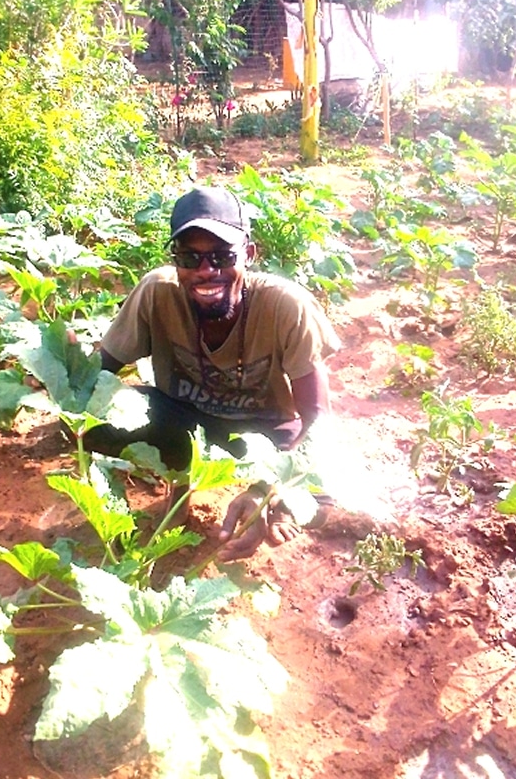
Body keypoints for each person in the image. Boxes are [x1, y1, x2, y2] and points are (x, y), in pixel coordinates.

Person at [86, 185, 340, 560]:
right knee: (93, 422)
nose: (207, 271)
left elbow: (317, 416)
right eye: (190, 258)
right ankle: (180, 486)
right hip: (185, 423)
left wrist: (270, 488)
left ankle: (266, 506)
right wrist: (60, 363)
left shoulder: (286, 306)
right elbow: (98, 372)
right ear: (175, 261)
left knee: (321, 494)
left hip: (262, 434)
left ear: (249, 254)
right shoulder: (157, 292)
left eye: (222, 256)